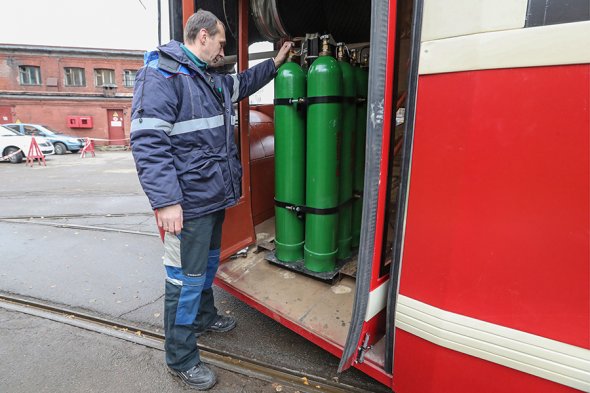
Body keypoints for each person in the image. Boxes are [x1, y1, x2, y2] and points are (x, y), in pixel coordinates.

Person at [130, 9, 292, 391]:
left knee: (204, 268)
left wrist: (275, 63)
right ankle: (181, 357)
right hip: (186, 204)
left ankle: (203, 317)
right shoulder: (162, 76)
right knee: (182, 280)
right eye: (221, 40)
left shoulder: (208, 80)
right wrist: (167, 202)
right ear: (202, 36)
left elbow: (243, 82)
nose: (224, 48)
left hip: (211, 199)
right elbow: (147, 143)